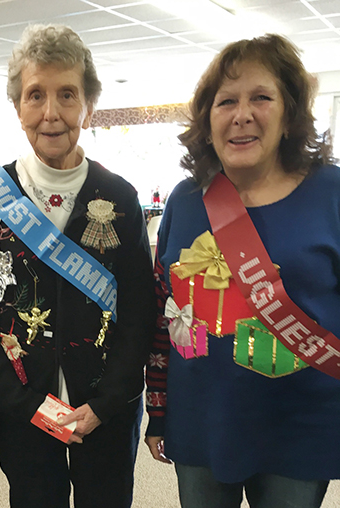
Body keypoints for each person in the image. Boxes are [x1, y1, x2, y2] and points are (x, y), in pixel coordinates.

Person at [0, 24, 155, 508]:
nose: (51, 113)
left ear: (87, 106)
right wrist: (23, 405)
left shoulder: (121, 197)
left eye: (67, 94)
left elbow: (138, 312)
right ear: (18, 107)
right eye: (35, 95)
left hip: (105, 408)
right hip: (23, 407)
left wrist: (104, 405)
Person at [145, 34, 340, 508]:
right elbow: (161, 313)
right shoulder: (184, 200)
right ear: (208, 120)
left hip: (301, 425)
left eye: (261, 97)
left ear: (290, 114)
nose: (242, 114)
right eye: (225, 101)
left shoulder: (332, 192)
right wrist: (159, 411)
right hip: (203, 421)